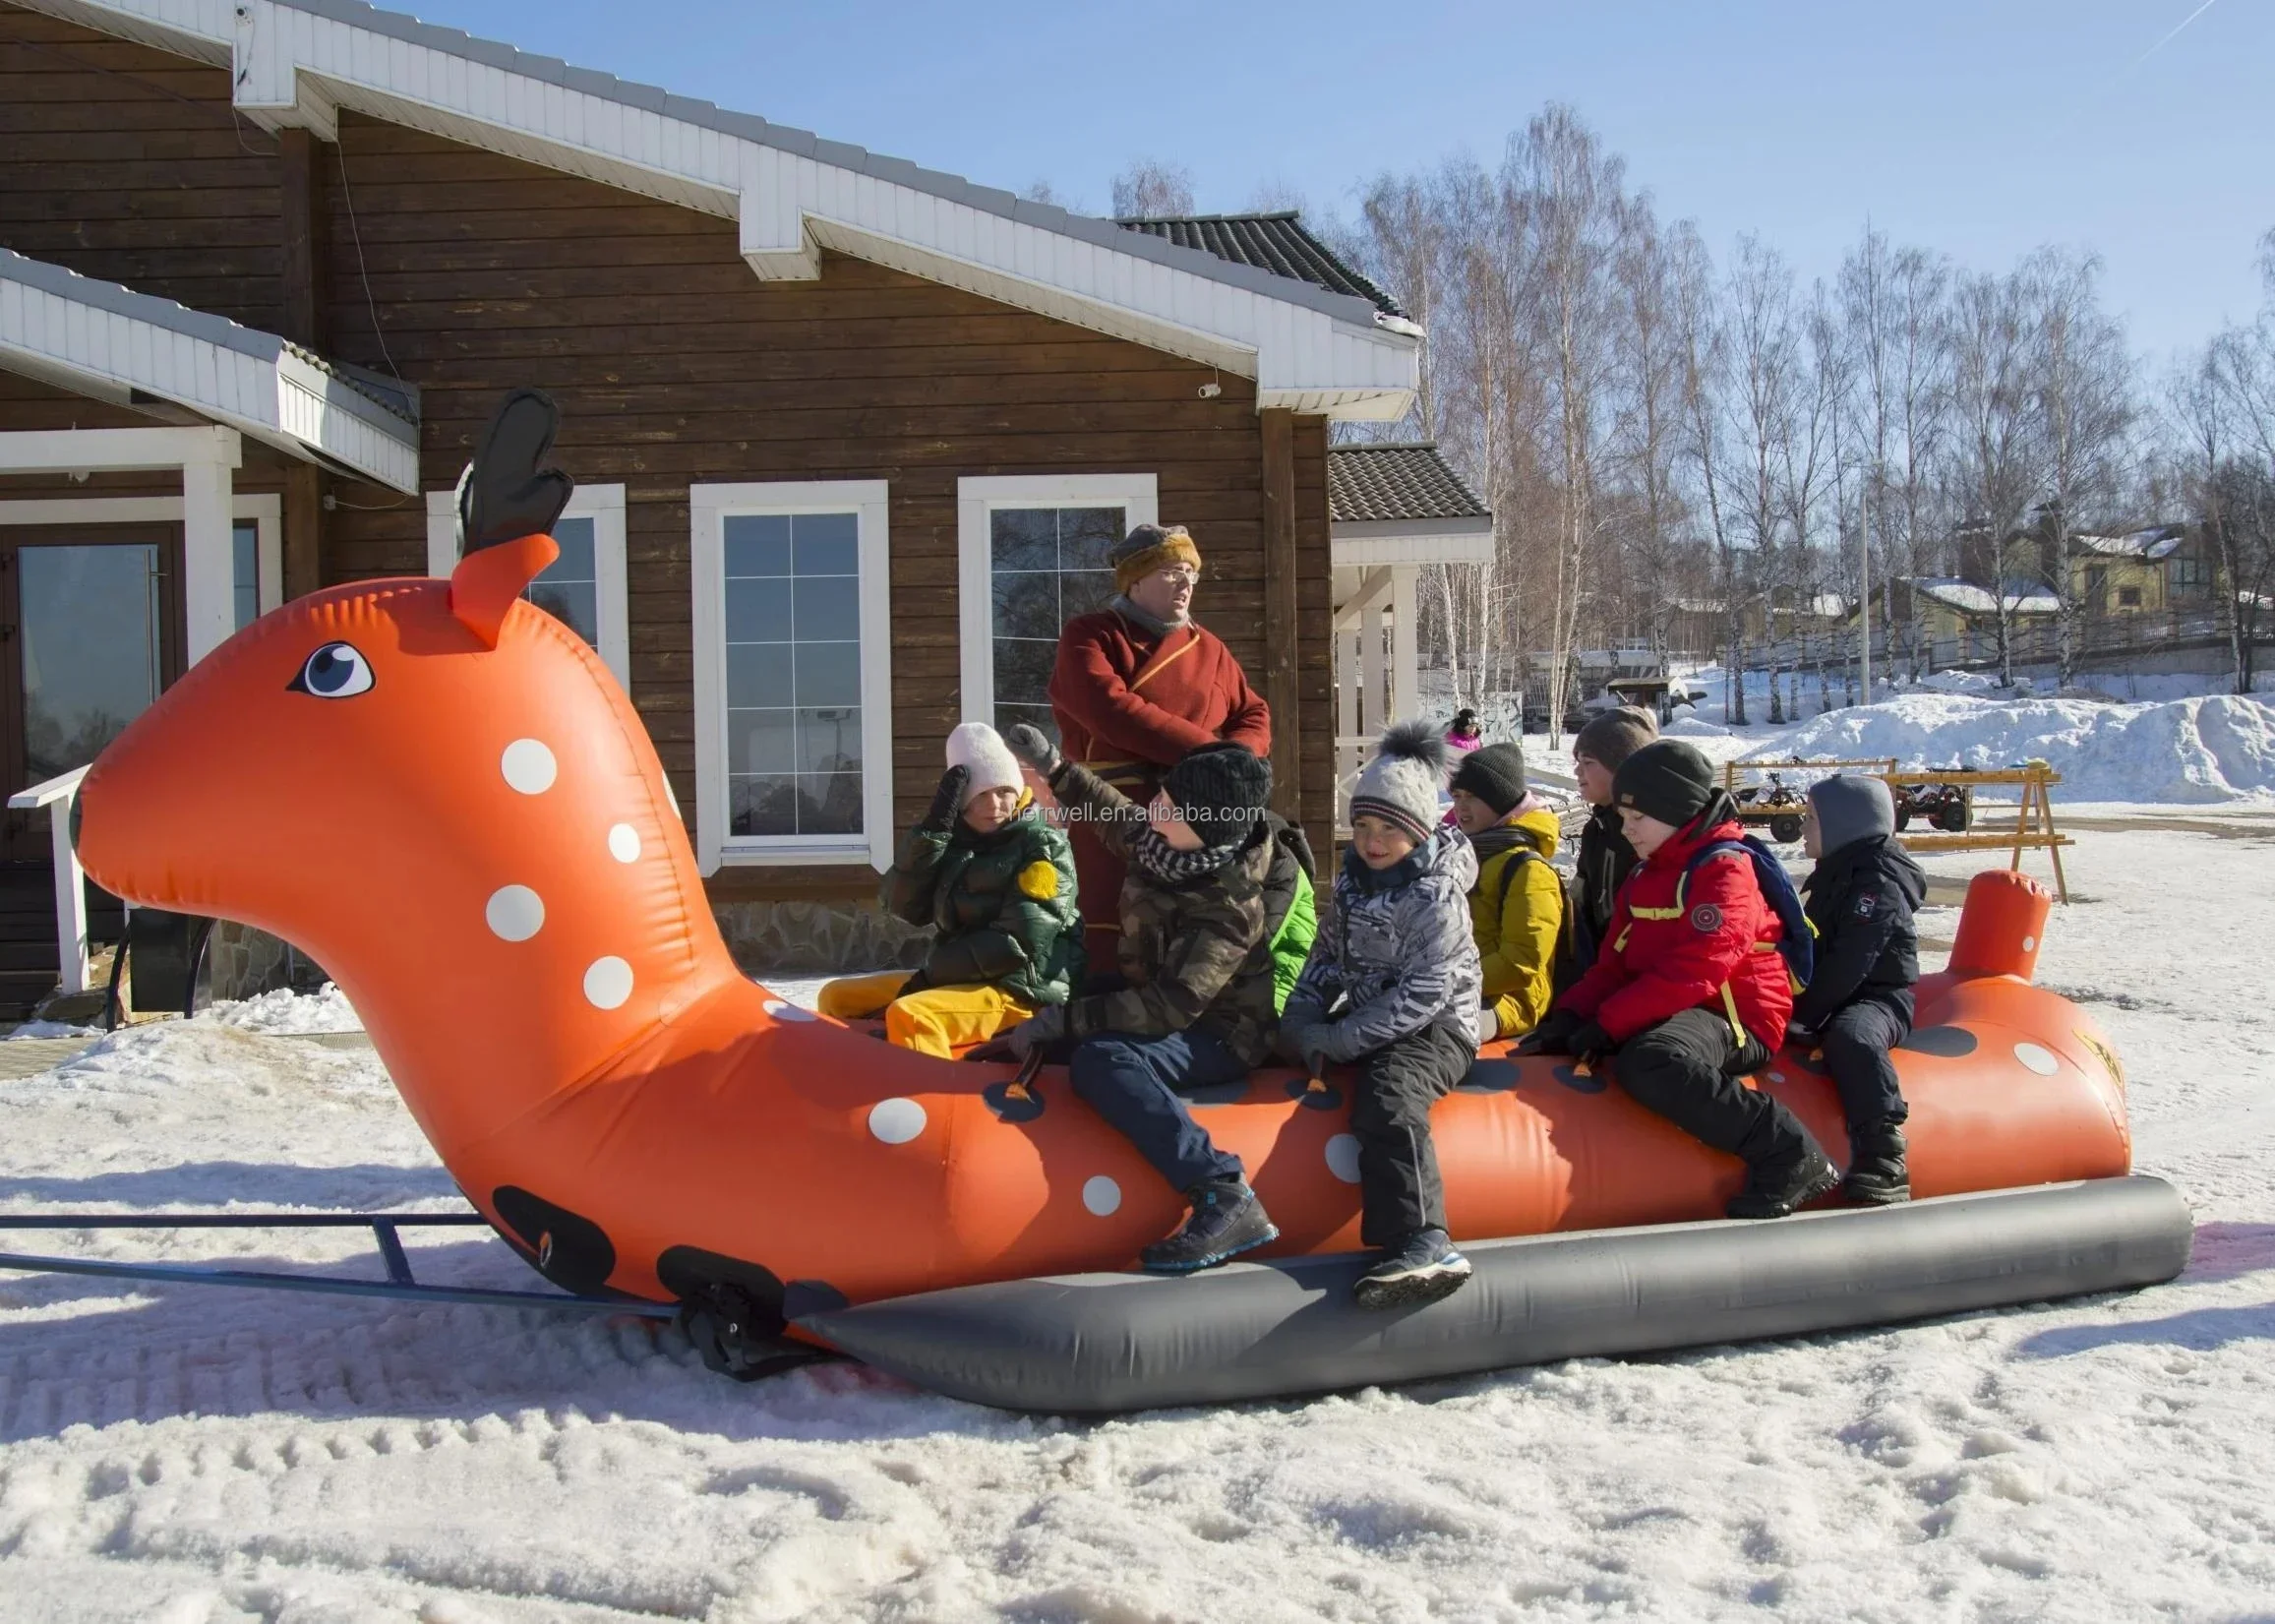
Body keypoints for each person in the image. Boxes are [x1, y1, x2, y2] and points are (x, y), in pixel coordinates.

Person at [997, 726, 1308, 1274]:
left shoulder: (1231, 907)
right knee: (1075, 1008)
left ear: (1206, 826)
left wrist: (1064, 1024)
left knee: (1102, 1057)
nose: (1154, 804)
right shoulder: (1165, 842)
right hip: (1158, 999)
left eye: (1170, 803)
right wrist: (1054, 766)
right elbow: (1109, 810)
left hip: (1222, 1034)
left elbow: (1171, 1008)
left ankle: (1221, 1188)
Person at [1523, 739, 1840, 1220]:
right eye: (1624, 819)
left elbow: (1703, 966)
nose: (1627, 831)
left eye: (1637, 819)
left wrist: (1610, 1023)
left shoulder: (1724, 870)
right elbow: (1615, 965)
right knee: (1610, 1045)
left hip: (1737, 1012)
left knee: (1652, 1059)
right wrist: (1568, 1014)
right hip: (1677, 1007)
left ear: (1676, 812)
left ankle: (1787, 1149)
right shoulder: (1646, 875)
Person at [1280, 722, 1484, 1309]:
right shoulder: (1353, 881)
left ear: (1418, 833)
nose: (1372, 841)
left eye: (1389, 829)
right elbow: (1327, 957)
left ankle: (1424, 1236)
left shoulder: (1436, 896)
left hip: (1441, 1023)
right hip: (1375, 1013)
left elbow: (1424, 992)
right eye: (1364, 825)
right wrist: (1301, 1014)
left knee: (1391, 1090)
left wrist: (1341, 1037)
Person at [1049, 523, 1272, 973]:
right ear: (1135, 579)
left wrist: (1232, 766)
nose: (1187, 582)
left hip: (1198, 819)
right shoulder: (1091, 635)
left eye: (1191, 571)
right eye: (1173, 571)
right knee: (1107, 938)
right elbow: (1112, 711)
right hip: (1113, 811)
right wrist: (1212, 756)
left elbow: (1254, 715)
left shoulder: (1211, 649)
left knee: (1195, 944)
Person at [815, 722, 1080, 1057]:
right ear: (963, 803)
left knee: (913, 1015)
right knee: (836, 998)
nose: (995, 804)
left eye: (1004, 791)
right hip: (960, 977)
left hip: (1024, 990)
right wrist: (932, 832)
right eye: (981, 795)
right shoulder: (956, 842)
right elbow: (905, 906)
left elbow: (1020, 940)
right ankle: (850, 1083)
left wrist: (933, 974)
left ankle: (925, 1103)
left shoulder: (1043, 844)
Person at [1791, 775, 1927, 1205]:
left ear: (1844, 825)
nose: (1802, 828)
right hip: (1831, 991)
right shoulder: (1833, 873)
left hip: (1878, 997)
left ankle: (1885, 1152)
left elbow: (1854, 957)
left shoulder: (1877, 882)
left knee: (1853, 1036)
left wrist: (1805, 1013)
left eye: (1810, 819)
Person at [1446, 742, 1564, 1041]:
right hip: (1457, 986)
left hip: (1511, 1001)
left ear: (1501, 801)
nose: (1461, 807)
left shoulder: (1527, 869)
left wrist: (1444, 982)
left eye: (1472, 797)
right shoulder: (1466, 855)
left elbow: (1520, 961)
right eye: (1457, 796)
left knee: (1433, 1031)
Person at [1554, 706, 1660, 992]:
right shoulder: (1597, 829)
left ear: (1623, 767)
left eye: (1588, 762)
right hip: (1601, 977)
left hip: (1641, 986)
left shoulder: (1650, 835)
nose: (1577, 771)